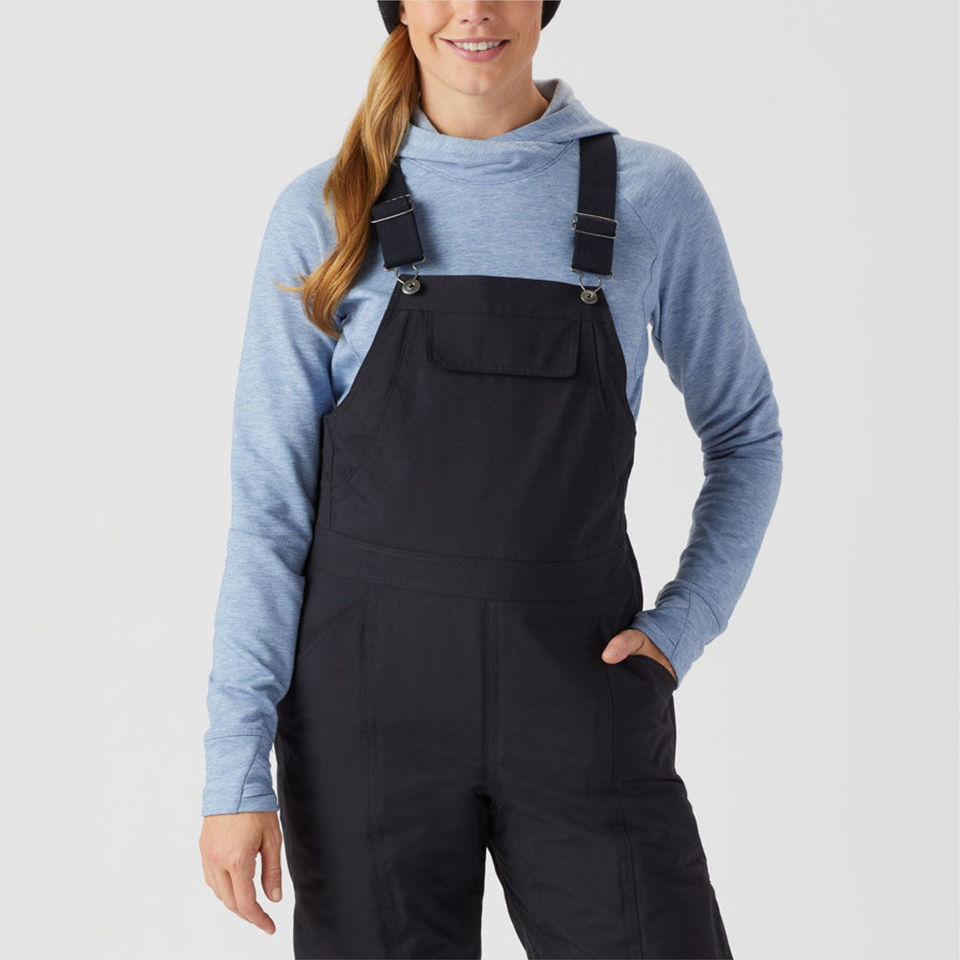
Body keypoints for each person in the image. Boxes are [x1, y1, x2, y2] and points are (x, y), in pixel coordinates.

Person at [198, 2, 783, 957]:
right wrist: (234, 769)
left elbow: (746, 433)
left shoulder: (650, 195)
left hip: (583, 698)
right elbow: (269, 508)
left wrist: (683, 627)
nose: (474, 9)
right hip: (363, 718)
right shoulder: (327, 208)